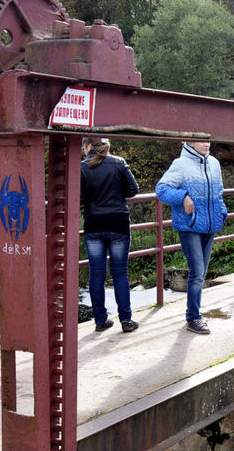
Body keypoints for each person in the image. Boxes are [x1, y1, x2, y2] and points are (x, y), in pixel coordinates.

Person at [156, 141, 228, 335]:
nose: (207, 143)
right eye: (201, 140)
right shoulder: (180, 164)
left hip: (210, 225)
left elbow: (219, 191)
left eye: (208, 139)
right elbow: (161, 190)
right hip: (189, 226)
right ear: (189, 142)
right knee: (197, 270)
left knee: (201, 272)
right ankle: (193, 317)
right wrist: (183, 196)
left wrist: (221, 210)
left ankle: (194, 314)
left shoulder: (213, 163)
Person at [80, 138, 140, 334]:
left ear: (88, 146)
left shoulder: (81, 167)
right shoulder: (119, 162)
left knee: (96, 275)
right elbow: (133, 190)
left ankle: (100, 320)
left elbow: (78, 198)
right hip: (118, 223)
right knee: (120, 273)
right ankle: (126, 320)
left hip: (94, 224)